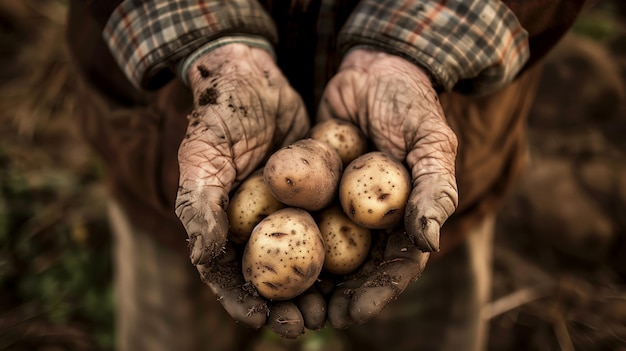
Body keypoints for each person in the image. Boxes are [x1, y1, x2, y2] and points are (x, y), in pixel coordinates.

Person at [65, 0, 594, 350]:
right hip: (176, 160)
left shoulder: (369, 185)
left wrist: (415, 47)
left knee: (431, 309)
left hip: (440, 158)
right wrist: (211, 41)